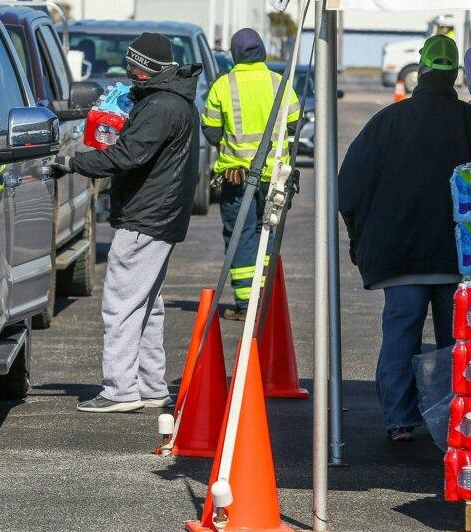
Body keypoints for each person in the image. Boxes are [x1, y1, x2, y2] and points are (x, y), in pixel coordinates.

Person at [338, 34, 471, 442]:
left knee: (401, 336)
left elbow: (348, 188)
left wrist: (360, 240)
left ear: (420, 71)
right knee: (457, 344)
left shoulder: (386, 122)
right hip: (460, 261)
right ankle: (459, 424)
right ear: (455, 74)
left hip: (400, 260)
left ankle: (400, 420)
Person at [51, 32, 201, 413]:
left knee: (121, 305)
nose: (129, 72)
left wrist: (73, 163)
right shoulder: (171, 101)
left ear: (149, 68)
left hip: (145, 217)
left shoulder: (160, 107)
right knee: (147, 305)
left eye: (134, 66)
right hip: (161, 217)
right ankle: (151, 386)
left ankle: (119, 390)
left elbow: (127, 156)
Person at [201, 28, 300, 322]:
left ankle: (246, 303)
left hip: (237, 177)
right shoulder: (279, 83)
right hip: (275, 180)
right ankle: (264, 301)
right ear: (262, 53)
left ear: (234, 53)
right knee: (266, 236)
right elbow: (295, 123)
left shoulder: (223, 85)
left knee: (240, 237)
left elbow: (211, 130)